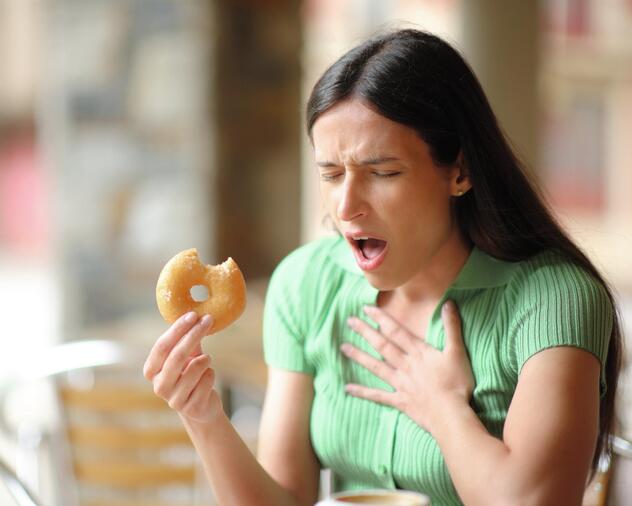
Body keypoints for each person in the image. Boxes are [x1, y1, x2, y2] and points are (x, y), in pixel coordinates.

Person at [143, 29, 623, 505]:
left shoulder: (555, 300)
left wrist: (442, 407)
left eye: (383, 173)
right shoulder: (306, 284)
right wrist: (204, 416)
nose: (346, 206)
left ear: (459, 170)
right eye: (330, 174)